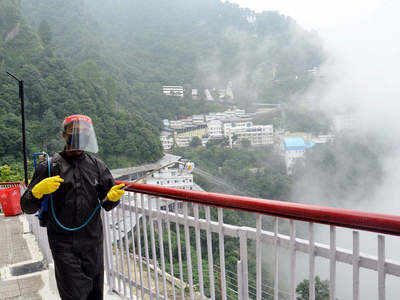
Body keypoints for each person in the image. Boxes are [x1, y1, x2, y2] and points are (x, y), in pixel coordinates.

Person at [21, 114, 125, 300]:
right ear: (64, 135)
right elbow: (26, 206)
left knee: (94, 293)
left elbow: (107, 204)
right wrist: (37, 192)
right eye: (74, 131)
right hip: (63, 244)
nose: (80, 135)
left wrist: (113, 198)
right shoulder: (49, 167)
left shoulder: (97, 166)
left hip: (93, 242)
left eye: (85, 132)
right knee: (73, 295)